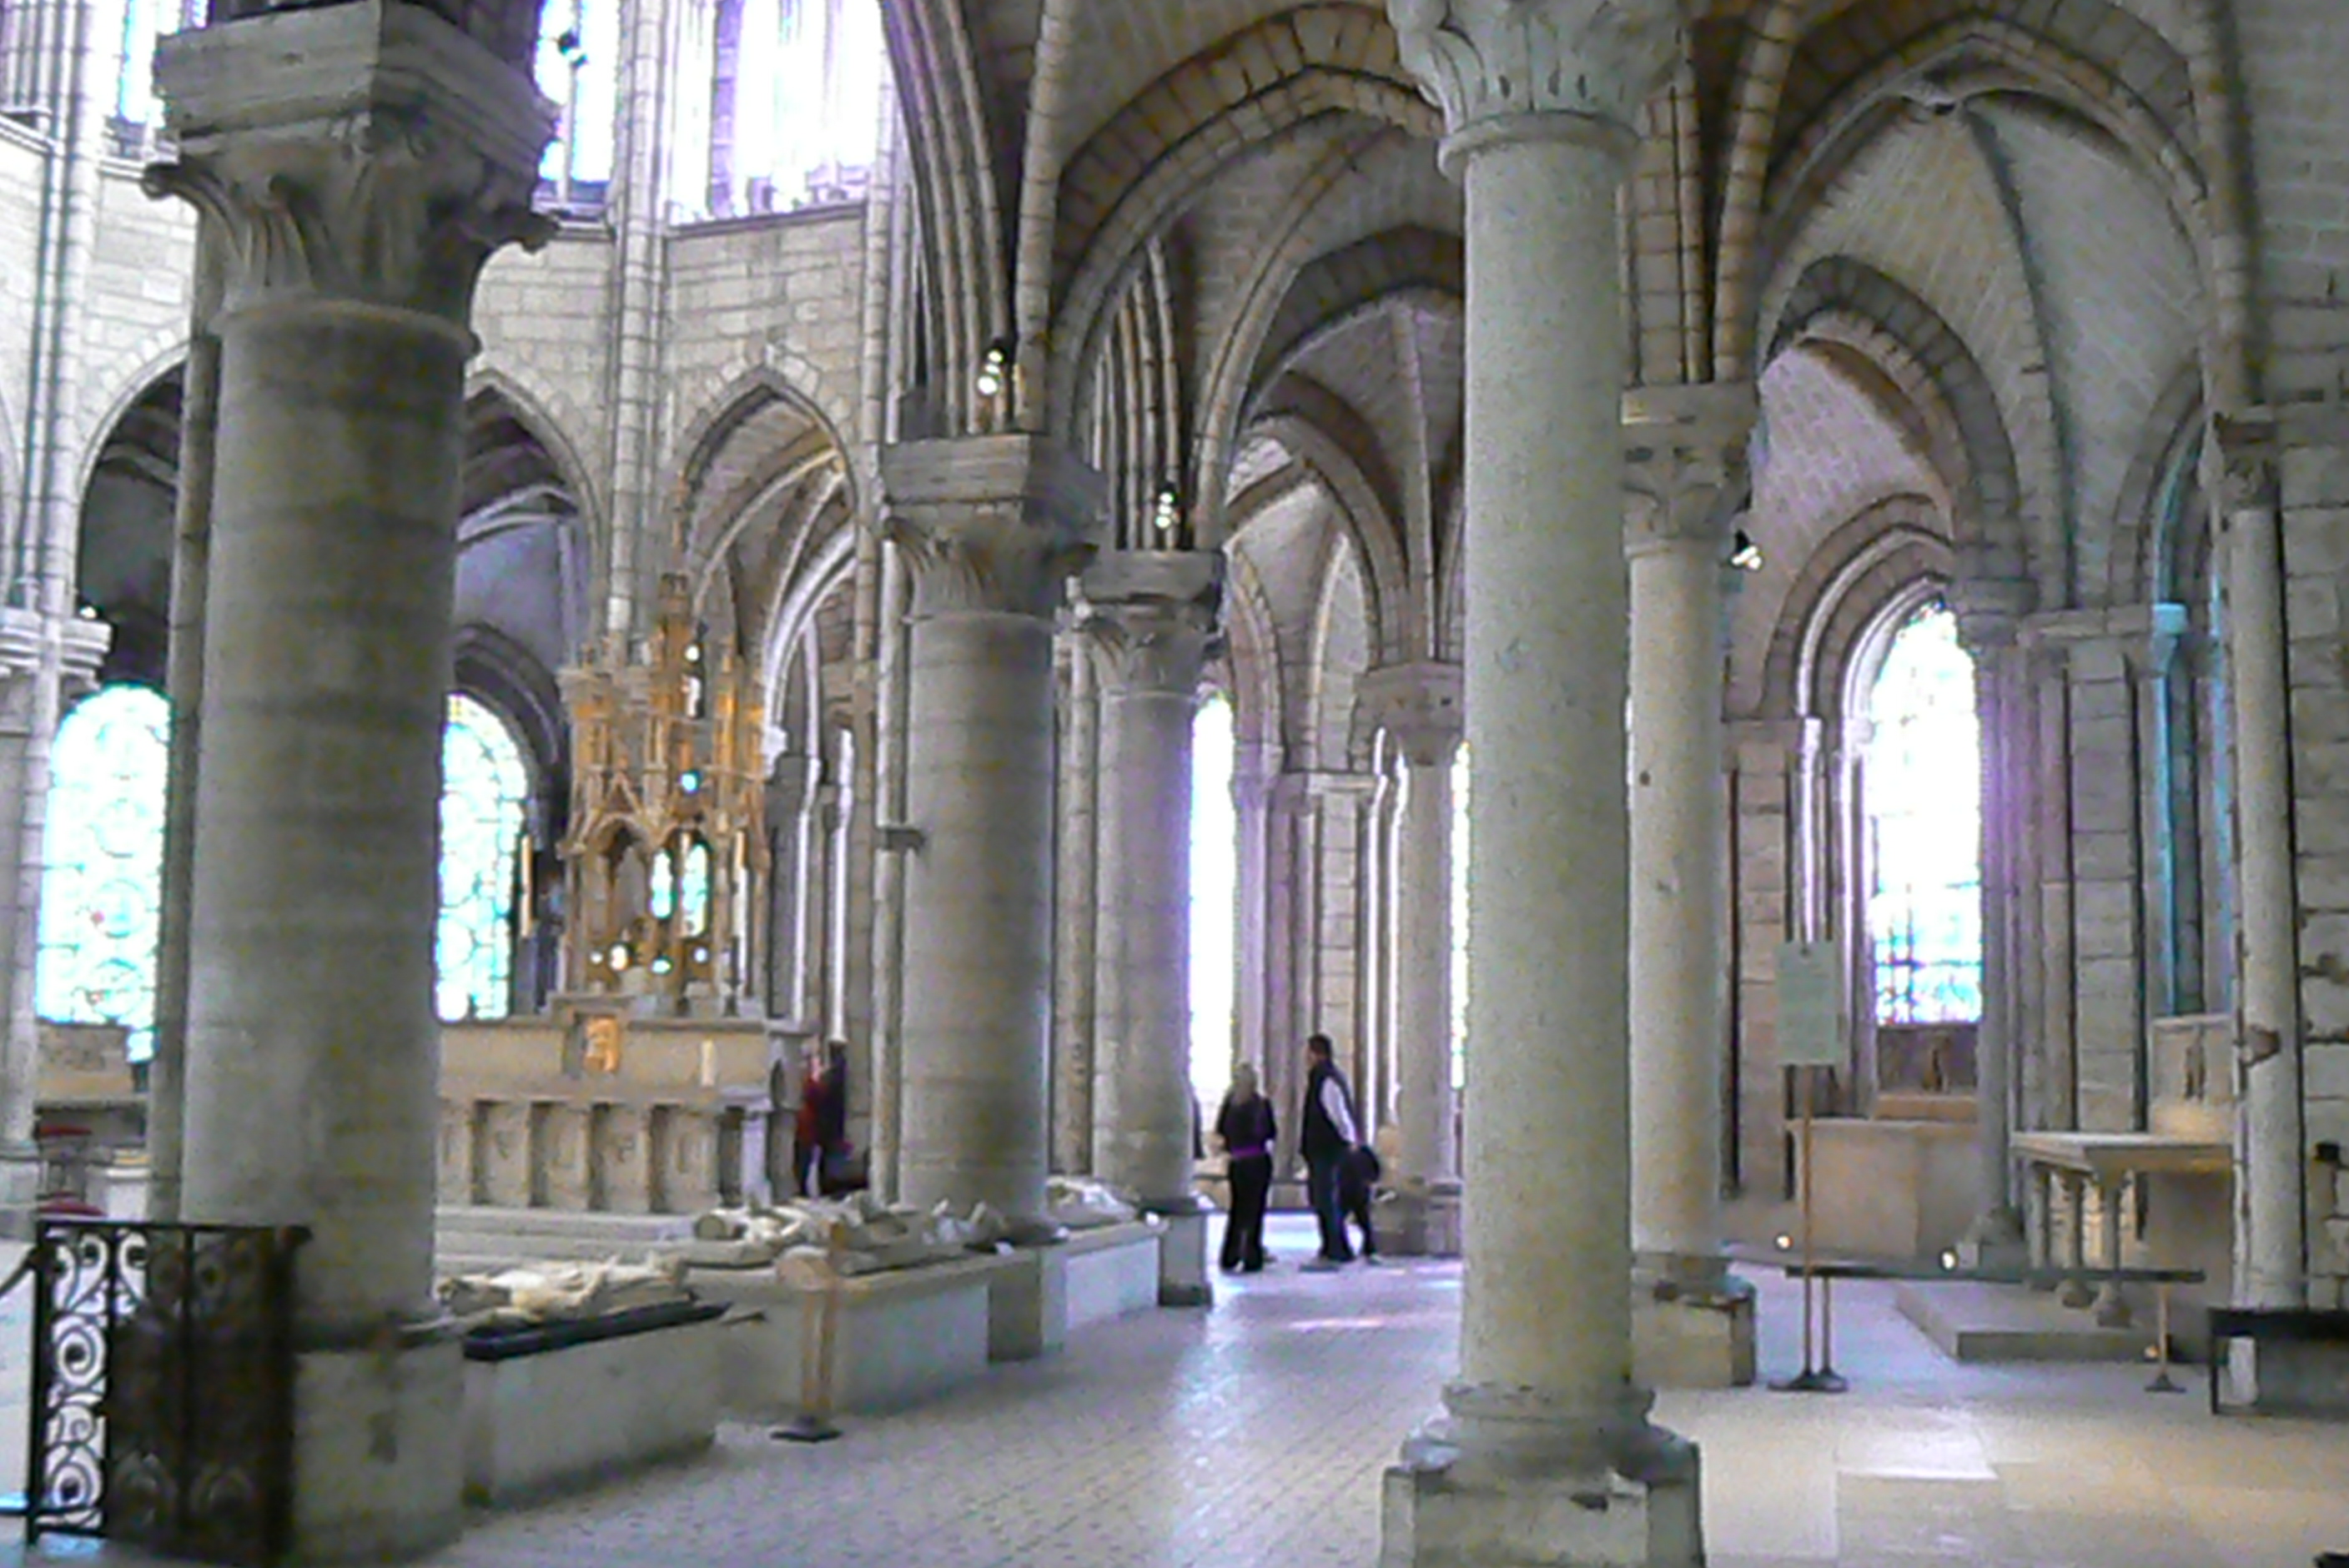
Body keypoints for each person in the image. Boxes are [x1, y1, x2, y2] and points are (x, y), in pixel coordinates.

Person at [1298, 1033, 1361, 1269]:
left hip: (1327, 1150)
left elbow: (1338, 1113)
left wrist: (1350, 1139)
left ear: (1317, 1054)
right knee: (1323, 1199)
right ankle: (1334, 1246)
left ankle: (1335, 1249)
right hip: (1321, 1150)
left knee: (1327, 1199)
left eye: (1309, 1053)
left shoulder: (1326, 1079)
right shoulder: (1320, 1077)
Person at [1214, 1064, 1277, 1273]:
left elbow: (1221, 1132)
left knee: (1237, 1210)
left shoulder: (1230, 1105)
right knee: (1255, 1211)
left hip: (1238, 1162)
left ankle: (1230, 1256)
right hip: (1258, 1161)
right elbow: (1270, 1133)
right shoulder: (1261, 1104)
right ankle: (1252, 1255)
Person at [1339, 1138, 1381, 1264]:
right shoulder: (1360, 1152)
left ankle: (1364, 1248)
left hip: (1353, 1190)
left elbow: (1375, 1169)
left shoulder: (1344, 1153)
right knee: (1362, 1221)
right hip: (1353, 1190)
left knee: (1361, 1221)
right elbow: (1375, 1169)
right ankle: (1366, 1249)